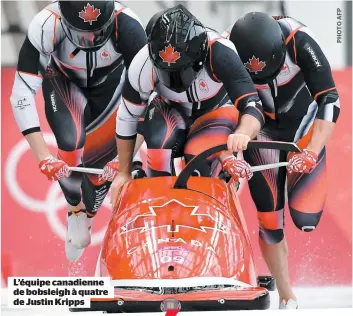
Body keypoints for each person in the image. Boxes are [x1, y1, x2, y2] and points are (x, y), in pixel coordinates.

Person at [10, 1, 147, 262]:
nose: (90, 39)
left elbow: (149, 97)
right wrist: (43, 158)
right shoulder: (45, 25)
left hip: (112, 89)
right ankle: (75, 208)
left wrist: (126, 157)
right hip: (64, 83)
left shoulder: (128, 27)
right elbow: (21, 94)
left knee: (101, 169)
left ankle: (90, 214)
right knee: (70, 147)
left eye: (98, 32)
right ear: (64, 22)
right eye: (80, 34)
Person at [223, 12, 340, 309]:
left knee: (306, 218)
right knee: (270, 221)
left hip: (301, 130)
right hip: (258, 132)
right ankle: (287, 294)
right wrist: (230, 157)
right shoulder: (225, 51)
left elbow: (330, 99)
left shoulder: (299, 40)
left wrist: (312, 150)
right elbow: (221, 112)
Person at [101, 5, 266, 205]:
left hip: (216, 110)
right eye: (166, 72)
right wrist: (124, 172)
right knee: (159, 146)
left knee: (199, 157)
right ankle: (159, 207)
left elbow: (253, 107)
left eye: (181, 71)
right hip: (170, 109)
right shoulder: (142, 64)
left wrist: (242, 133)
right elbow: (128, 117)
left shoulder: (221, 53)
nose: (175, 79)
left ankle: (214, 194)